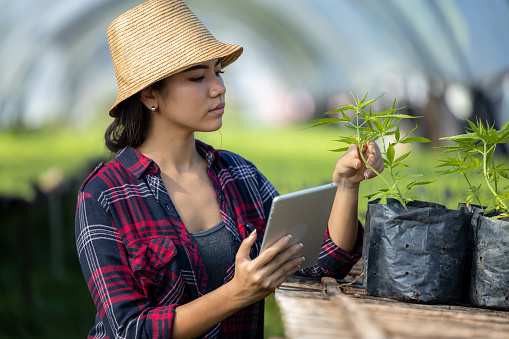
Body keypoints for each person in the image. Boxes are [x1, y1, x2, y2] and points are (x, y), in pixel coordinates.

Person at [74, 0, 384, 338]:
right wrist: (237, 294)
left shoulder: (239, 175)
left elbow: (318, 262)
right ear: (151, 94)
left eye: (218, 72)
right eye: (197, 77)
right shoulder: (103, 195)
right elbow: (129, 329)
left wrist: (346, 186)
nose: (219, 88)